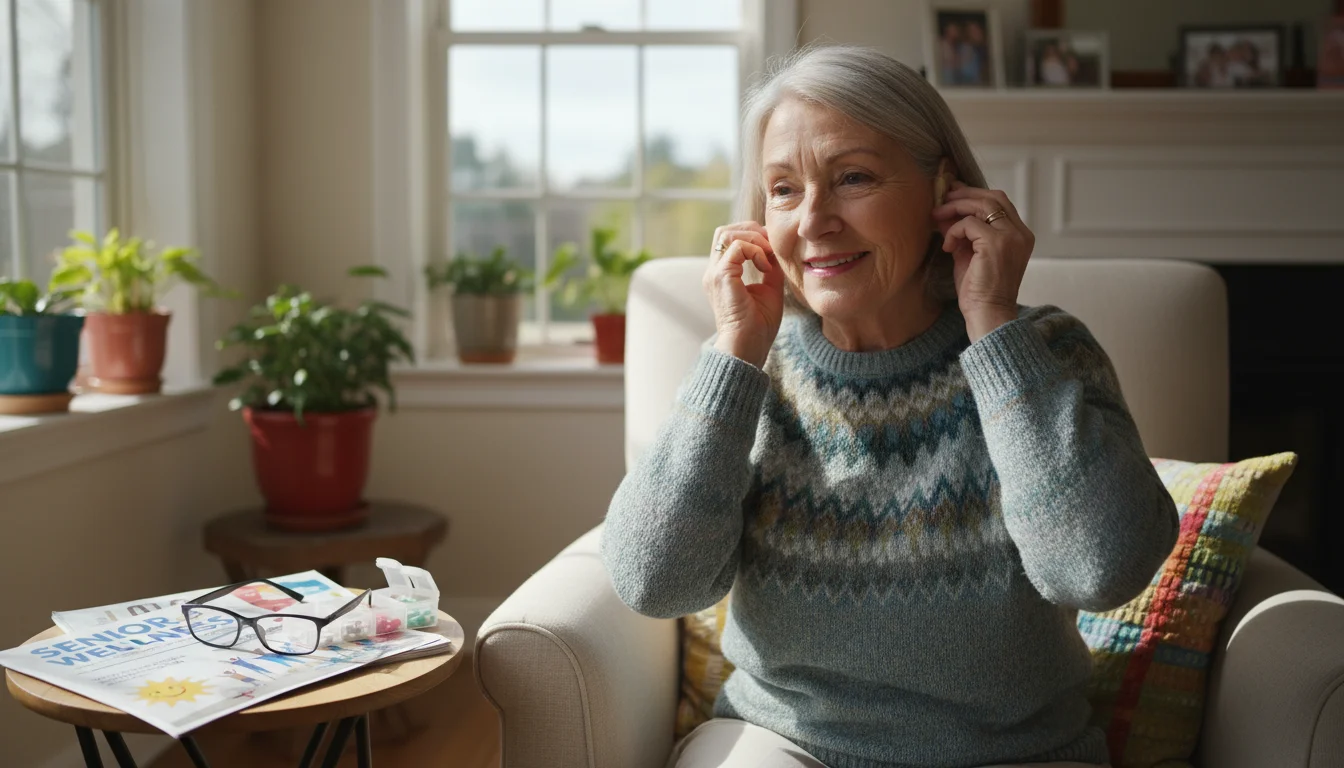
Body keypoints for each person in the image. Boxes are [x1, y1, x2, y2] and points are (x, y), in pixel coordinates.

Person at [601, 43, 1177, 768]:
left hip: (1017, 753)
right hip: (784, 745)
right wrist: (733, 354)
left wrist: (994, 328)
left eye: (853, 178)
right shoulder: (749, 372)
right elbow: (653, 582)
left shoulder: (1045, 351)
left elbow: (1098, 570)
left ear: (945, 188)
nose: (813, 220)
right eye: (782, 189)